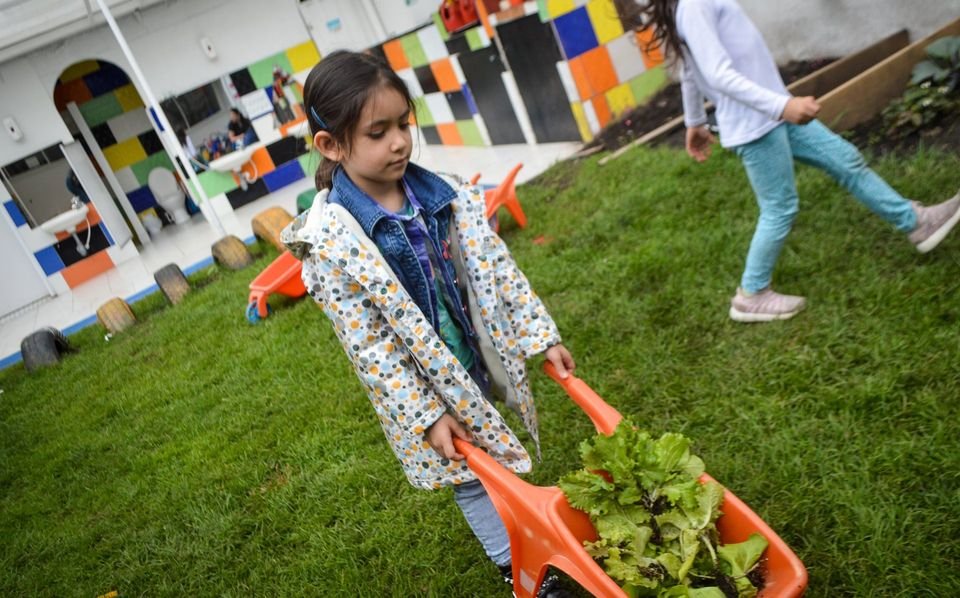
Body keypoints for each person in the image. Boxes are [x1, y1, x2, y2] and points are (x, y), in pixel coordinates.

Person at [281, 50, 575, 596]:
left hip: (473, 356)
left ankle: (535, 529)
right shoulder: (332, 246)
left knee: (501, 457)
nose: (398, 142)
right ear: (332, 146)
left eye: (402, 125)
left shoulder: (445, 194)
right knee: (471, 476)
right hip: (426, 386)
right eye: (377, 133)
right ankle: (521, 572)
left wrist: (541, 335)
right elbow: (371, 348)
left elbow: (496, 268)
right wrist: (426, 415)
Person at [616, 0, 960, 322]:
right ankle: (751, 295)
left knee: (845, 160)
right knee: (779, 208)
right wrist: (783, 106)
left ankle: (916, 223)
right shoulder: (693, 5)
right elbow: (715, 73)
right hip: (758, 124)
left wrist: (694, 123)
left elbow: (690, 72)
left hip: (772, 112)